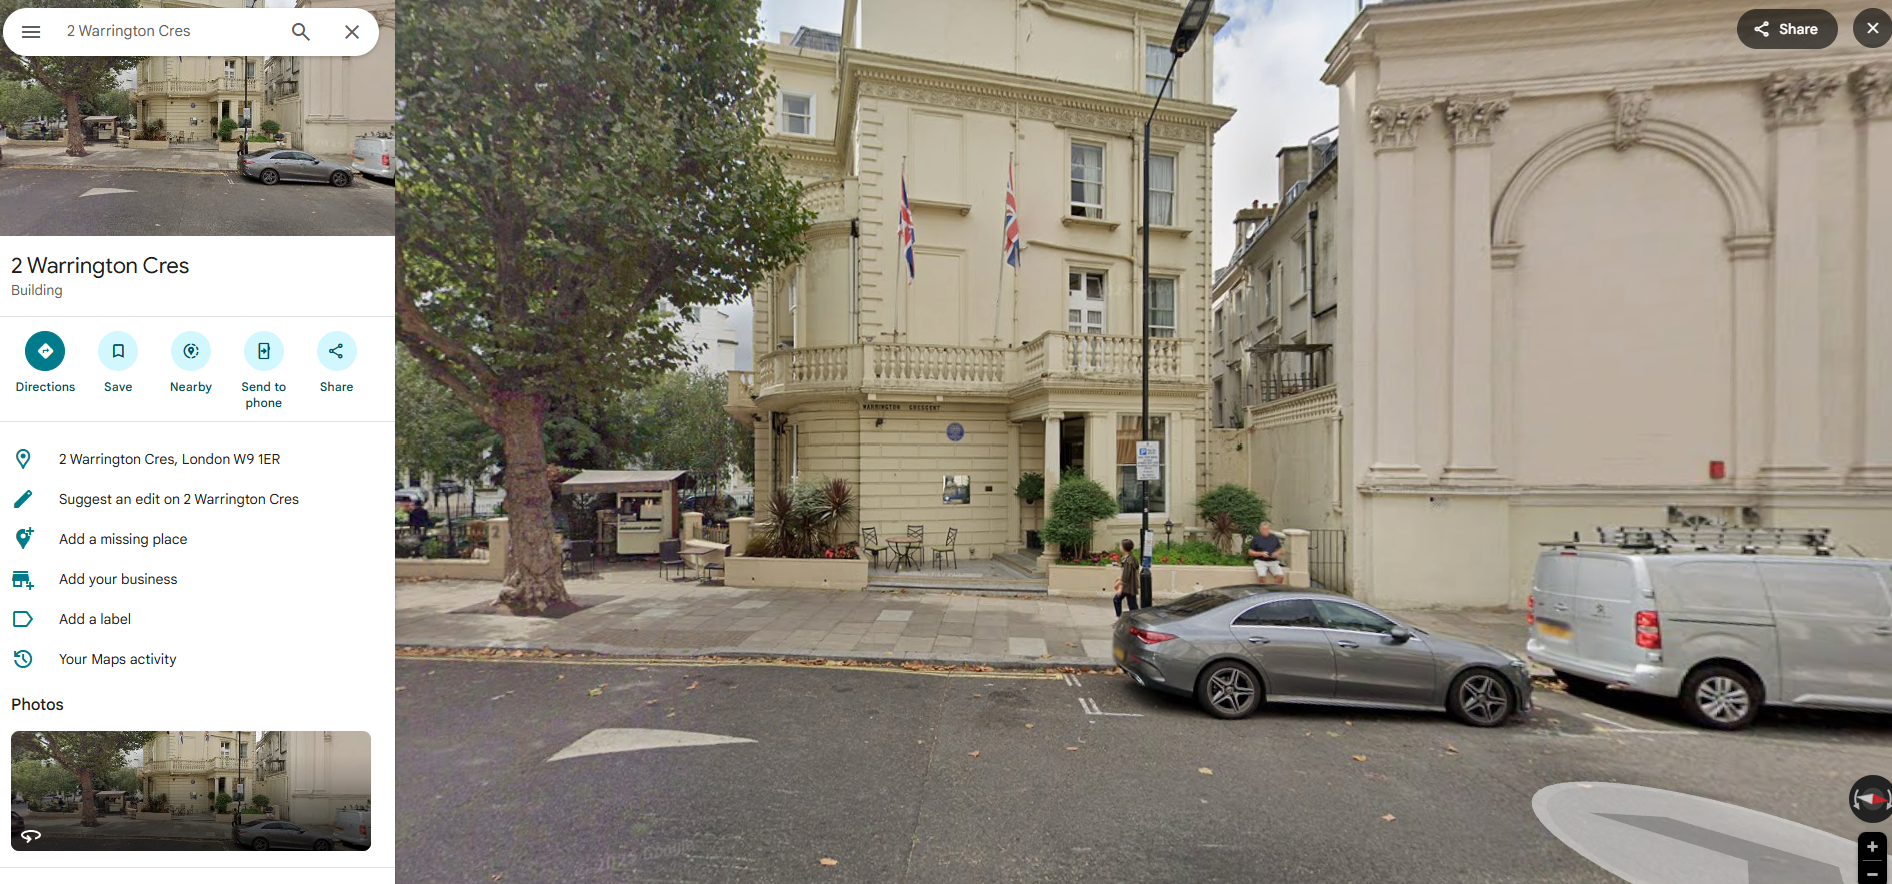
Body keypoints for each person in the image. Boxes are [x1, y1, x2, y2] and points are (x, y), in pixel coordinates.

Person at [1112, 538, 1140, 617]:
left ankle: (1122, 619)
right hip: (1130, 586)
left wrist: (1120, 588)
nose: (1120, 547)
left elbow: (1126, 575)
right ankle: (1136, 620)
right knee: (1132, 605)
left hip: (1128, 586)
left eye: (1121, 545)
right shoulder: (1130, 557)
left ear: (1124, 548)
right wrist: (1120, 565)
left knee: (1117, 600)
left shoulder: (1128, 560)